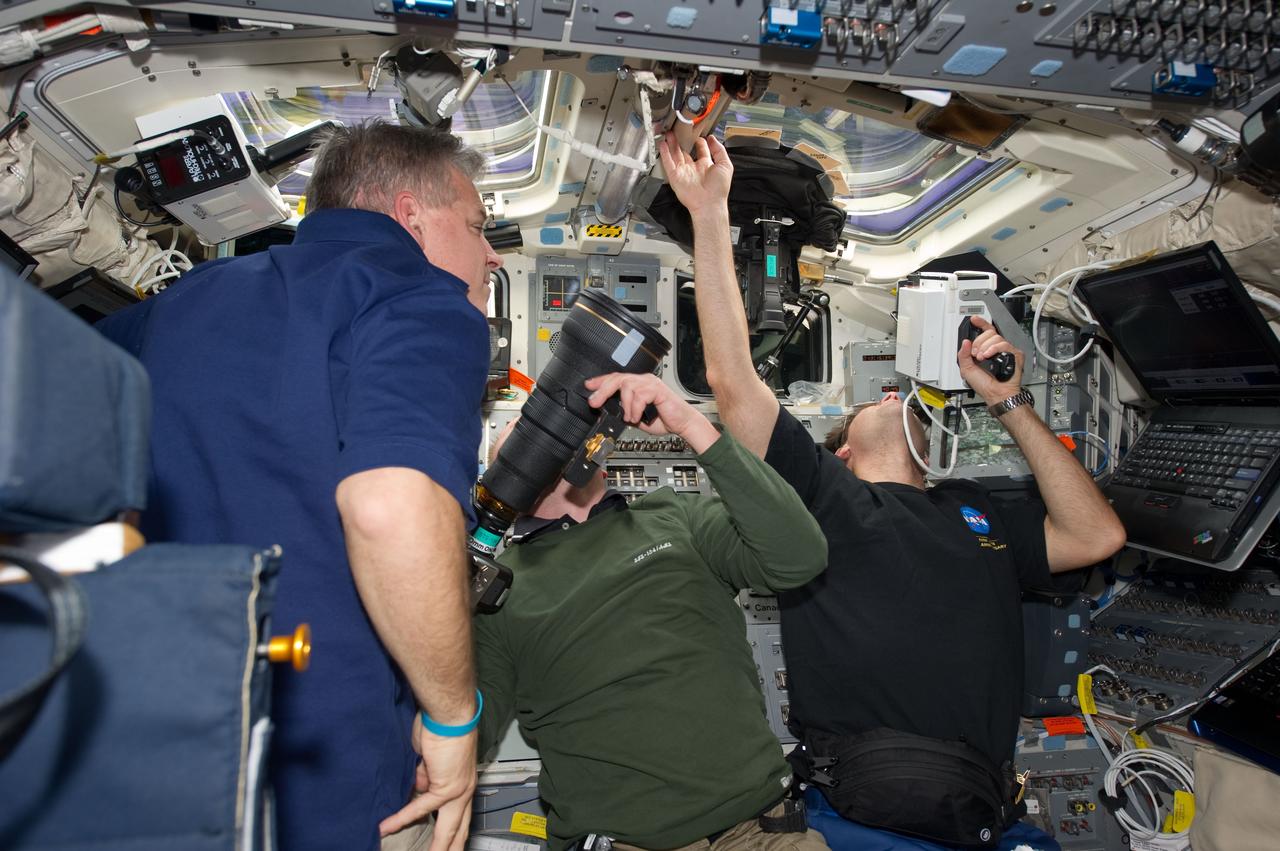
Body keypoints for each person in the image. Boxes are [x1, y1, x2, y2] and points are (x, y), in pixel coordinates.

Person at [658, 134, 1128, 849]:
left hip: (984, 814)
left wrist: (1009, 401)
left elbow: (1098, 537)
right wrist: (708, 212)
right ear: (843, 452)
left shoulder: (974, 509)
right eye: (872, 402)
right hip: (861, 815)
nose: (891, 394)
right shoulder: (820, 502)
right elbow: (732, 383)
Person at [96, 122, 502, 851]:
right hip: (338, 781)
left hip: (160, 755)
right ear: (413, 216)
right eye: (477, 226)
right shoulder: (425, 302)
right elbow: (388, 506)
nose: (490, 253)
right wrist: (452, 719)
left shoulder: (180, 301)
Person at [475, 371, 832, 851]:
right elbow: (464, 732)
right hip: (626, 842)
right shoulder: (499, 588)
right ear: (503, 477)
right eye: (523, 431)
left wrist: (693, 426)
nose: (545, 435)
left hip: (761, 830)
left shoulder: (676, 515)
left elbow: (798, 556)